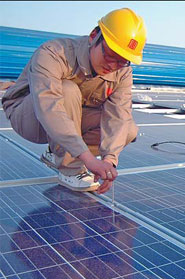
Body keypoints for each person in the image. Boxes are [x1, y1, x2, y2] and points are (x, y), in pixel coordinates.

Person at [1, 8, 146, 193]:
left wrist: (109, 161)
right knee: (67, 90)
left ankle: (57, 153)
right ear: (94, 36)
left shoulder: (122, 72)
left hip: (72, 116)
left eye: (122, 61)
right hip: (29, 116)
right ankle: (70, 169)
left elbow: (119, 116)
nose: (113, 66)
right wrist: (87, 158)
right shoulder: (54, 53)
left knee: (128, 128)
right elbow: (49, 107)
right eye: (110, 55)